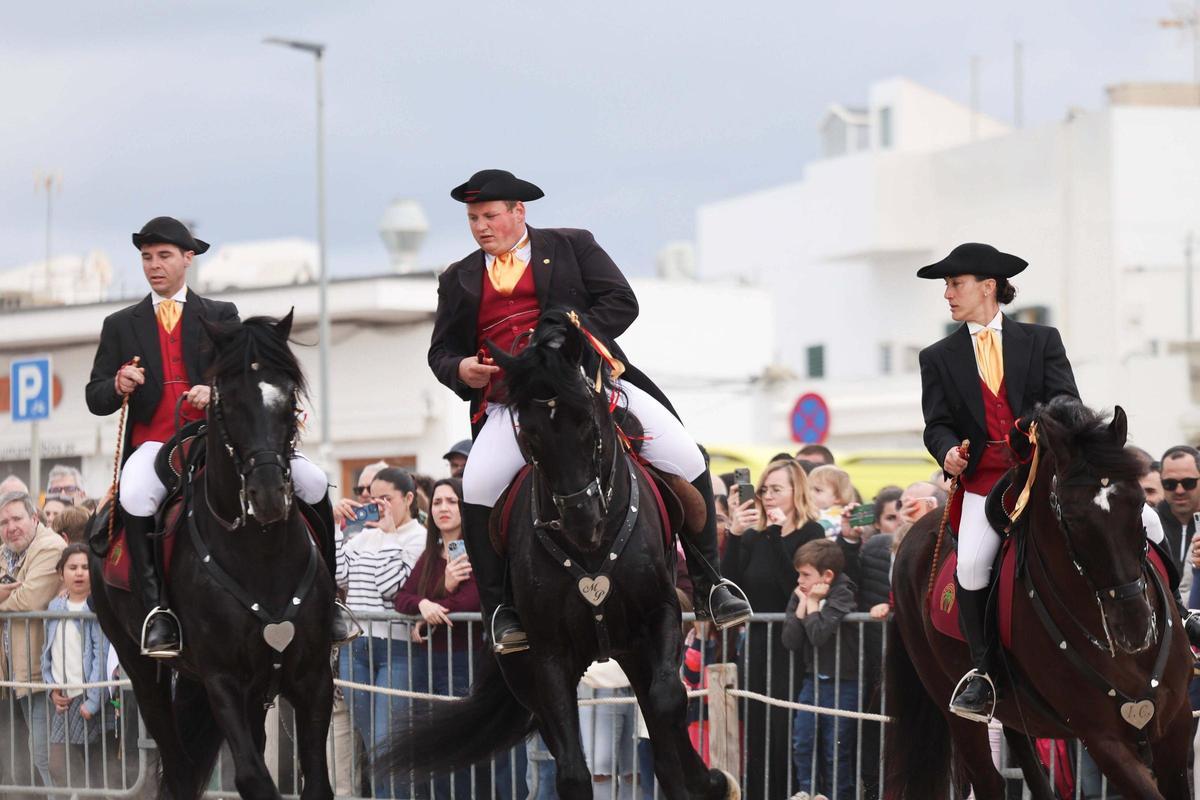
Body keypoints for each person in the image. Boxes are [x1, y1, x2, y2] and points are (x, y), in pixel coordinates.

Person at [427, 169, 749, 653]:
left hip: (588, 384)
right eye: (473, 218)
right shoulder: (459, 277)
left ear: (519, 212)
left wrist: (571, 334)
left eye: (490, 216)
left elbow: (623, 302)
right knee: (476, 484)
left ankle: (710, 585)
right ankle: (501, 609)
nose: (481, 227)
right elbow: (441, 352)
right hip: (514, 401)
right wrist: (462, 369)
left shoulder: (572, 244)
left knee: (686, 455)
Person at [84, 216, 351, 656]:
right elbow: (95, 396)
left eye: (164, 256)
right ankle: (157, 614)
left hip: (214, 439)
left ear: (188, 259)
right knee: (134, 494)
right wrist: (117, 383)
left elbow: (243, 374)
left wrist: (217, 390)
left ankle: (331, 602)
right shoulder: (120, 324)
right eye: (147, 258)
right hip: (153, 445)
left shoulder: (220, 315)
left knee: (315, 482)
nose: (154, 265)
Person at [917, 243, 1081, 722]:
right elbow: (936, 423)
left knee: (1142, 518)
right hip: (984, 482)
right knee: (969, 565)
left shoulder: (1043, 338)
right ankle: (985, 673)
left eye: (955, 283)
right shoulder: (937, 356)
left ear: (988, 286)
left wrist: (1036, 425)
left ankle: (1181, 619)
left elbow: (1067, 401)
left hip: (1042, 471)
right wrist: (946, 450)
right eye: (946, 286)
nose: (947, 294)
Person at [722, 459, 824, 799]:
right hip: (757, 645)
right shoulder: (754, 536)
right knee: (758, 732)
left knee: (786, 732)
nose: (767, 496)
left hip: (792, 646)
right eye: (764, 489)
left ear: (797, 492)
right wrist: (735, 536)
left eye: (776, 489)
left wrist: (779, 538)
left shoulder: (812, 532)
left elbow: (791, 588)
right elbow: (730, 588)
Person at [335, 467, 425, 798]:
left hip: (397, 648)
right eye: (375, 500)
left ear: (409, 499)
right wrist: (333, 525)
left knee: (389, 741)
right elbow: (339, 574)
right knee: (372, 742)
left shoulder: (418, 538)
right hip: (355, 646)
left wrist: (388, 535)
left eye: (387, 499)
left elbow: (392, 590)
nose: (380, 506)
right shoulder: (363, 535)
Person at [392, 478, 483, 799]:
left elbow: (471, 602)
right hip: (428, 664)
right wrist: (424, 604)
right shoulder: (432, 553)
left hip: (467, 661)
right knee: (433, 748)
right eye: (437, 502)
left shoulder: (477, 552)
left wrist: (435, 603)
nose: (443, 508)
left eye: (452, 501)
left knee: (462, 749)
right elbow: (402, 598)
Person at [0, 490, 68, 791]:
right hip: (12, 677)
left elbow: (30, 598)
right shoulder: (5, 552)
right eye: (3, 522)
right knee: (19, 764)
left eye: (16, 518)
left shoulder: (50, 546)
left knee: (46, 758)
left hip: (41, 674)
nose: (10, 527)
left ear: (34, 517)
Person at [783, 539, 858, 800]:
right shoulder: (801, 594)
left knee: (836, 752)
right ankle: (807, 792)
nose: (800, 581)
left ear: (827, 575)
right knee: (803, 742)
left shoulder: (843, 592)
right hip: (812, 680)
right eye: (798, 574)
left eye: (805, 575)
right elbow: (790, 640)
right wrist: (803, 604)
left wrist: (813, 605)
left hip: (844, 682)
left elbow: (818, 635)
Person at [42, 544, 111, 789]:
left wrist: (93, 700)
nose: (79, 573)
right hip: (65, 699)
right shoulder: (55, 607)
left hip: (88, 698)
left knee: (95, 766)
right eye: (72, 567)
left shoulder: (95, 608)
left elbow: (100, 656)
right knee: (59, 763)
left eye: (85, 567)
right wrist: (51, 688)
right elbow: (47, 651)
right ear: (61, 573)